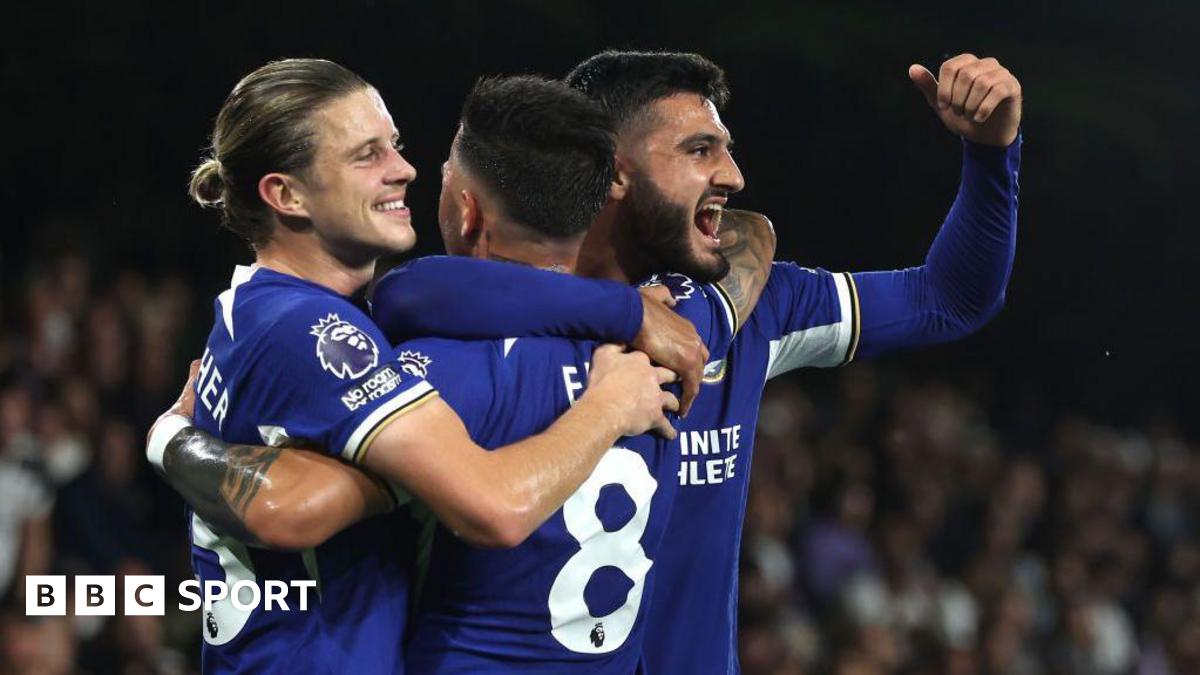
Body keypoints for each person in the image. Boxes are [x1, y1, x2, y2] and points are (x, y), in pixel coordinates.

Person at [151, 72, 775, 672]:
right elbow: (308, 508)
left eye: (394, 145)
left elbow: (417, 292)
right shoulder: (314, 332)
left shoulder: (267, 312)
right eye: (367, 154)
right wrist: (608, 406)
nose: (406, 168)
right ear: (286, 195)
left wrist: (618, 308)